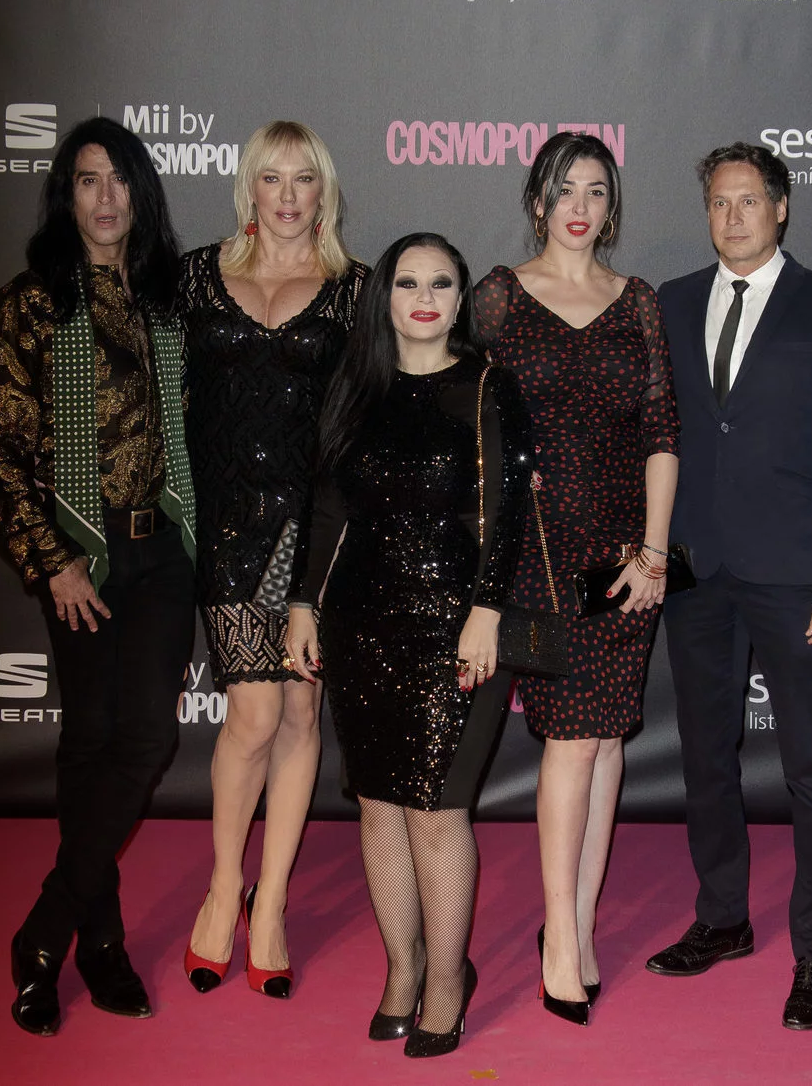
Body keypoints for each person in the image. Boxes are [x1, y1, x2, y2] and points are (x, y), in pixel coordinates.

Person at [645, 142, 812, 1030]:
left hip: (794, 572)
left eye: (748, 200)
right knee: (705, 754)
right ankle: (723, 916)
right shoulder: (671, 302)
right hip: (696, 568)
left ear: (780, 208)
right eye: (718, 202)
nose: (732, 216)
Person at [0, 116, 196, 1036]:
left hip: (165, 550)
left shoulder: (170, 299)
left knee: (145, 739)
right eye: (87, 180)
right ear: (66, 195)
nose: (106, 198)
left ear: (143, 193)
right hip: (82, 553)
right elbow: (0, 452)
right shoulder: (33, 302)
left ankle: (43, 931)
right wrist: (53, 561)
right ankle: (99, 941)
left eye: (120, 180)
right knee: (89, 744)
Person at [286, 233, 532, 1058]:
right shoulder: (354, 386)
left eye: (441, 284)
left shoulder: (488, 385)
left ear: (461, 299)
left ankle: (448, 980)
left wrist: (486, 611)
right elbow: (325, 509)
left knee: (435, 808)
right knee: (379, 804)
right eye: (407, 283)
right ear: (382, 297)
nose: (424, 298)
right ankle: (403, 968)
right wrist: (302, 603)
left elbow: (507, 514)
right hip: (361, 620)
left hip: (456, 623)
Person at [475, 132, 680, 1026]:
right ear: (537, 200)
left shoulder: (637, 301)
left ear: (612, 206)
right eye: (564, 189)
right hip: (537, 559)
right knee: (568, 738)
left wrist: (656, 554)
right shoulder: (499, 297)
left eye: (597, 190)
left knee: (606, 740)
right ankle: (559, 933)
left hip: (625, 560)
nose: (580, 206)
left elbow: (662, 430)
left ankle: (580, 924)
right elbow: (465, 415)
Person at [179, 121, 367, 997]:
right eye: (271, 178)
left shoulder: (355, 289)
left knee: (299, 711)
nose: (288, 196)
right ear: (248, 188)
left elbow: (375, 410)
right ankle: (225, 886)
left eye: (304, 179)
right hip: (224, 526)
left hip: (314, 526)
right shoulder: (194, 276)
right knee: (252, 715)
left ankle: (273, 902)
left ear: (324, 191)